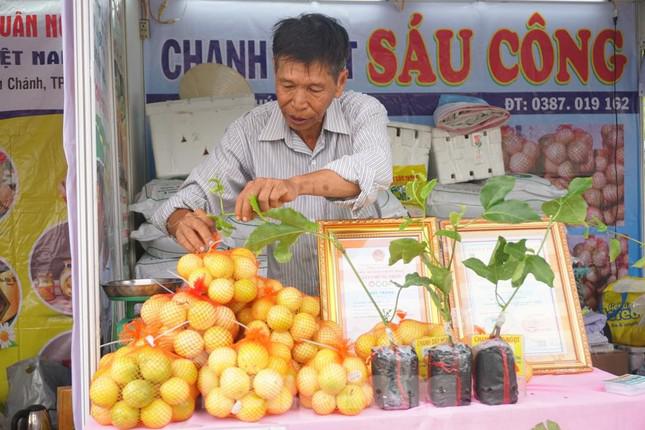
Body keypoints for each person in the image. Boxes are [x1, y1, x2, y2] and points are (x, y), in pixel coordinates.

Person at [152, 13, 398, 296]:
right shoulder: (249, 130)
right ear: (275, 71)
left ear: (340, 82)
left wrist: (294, 185)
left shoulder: (363, 112)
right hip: (289, 312)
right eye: (287, 86)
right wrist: (180, 219)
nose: (298, 102)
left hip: (365, 300)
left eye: (314, 89)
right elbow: (187, 199)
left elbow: (373, 170)